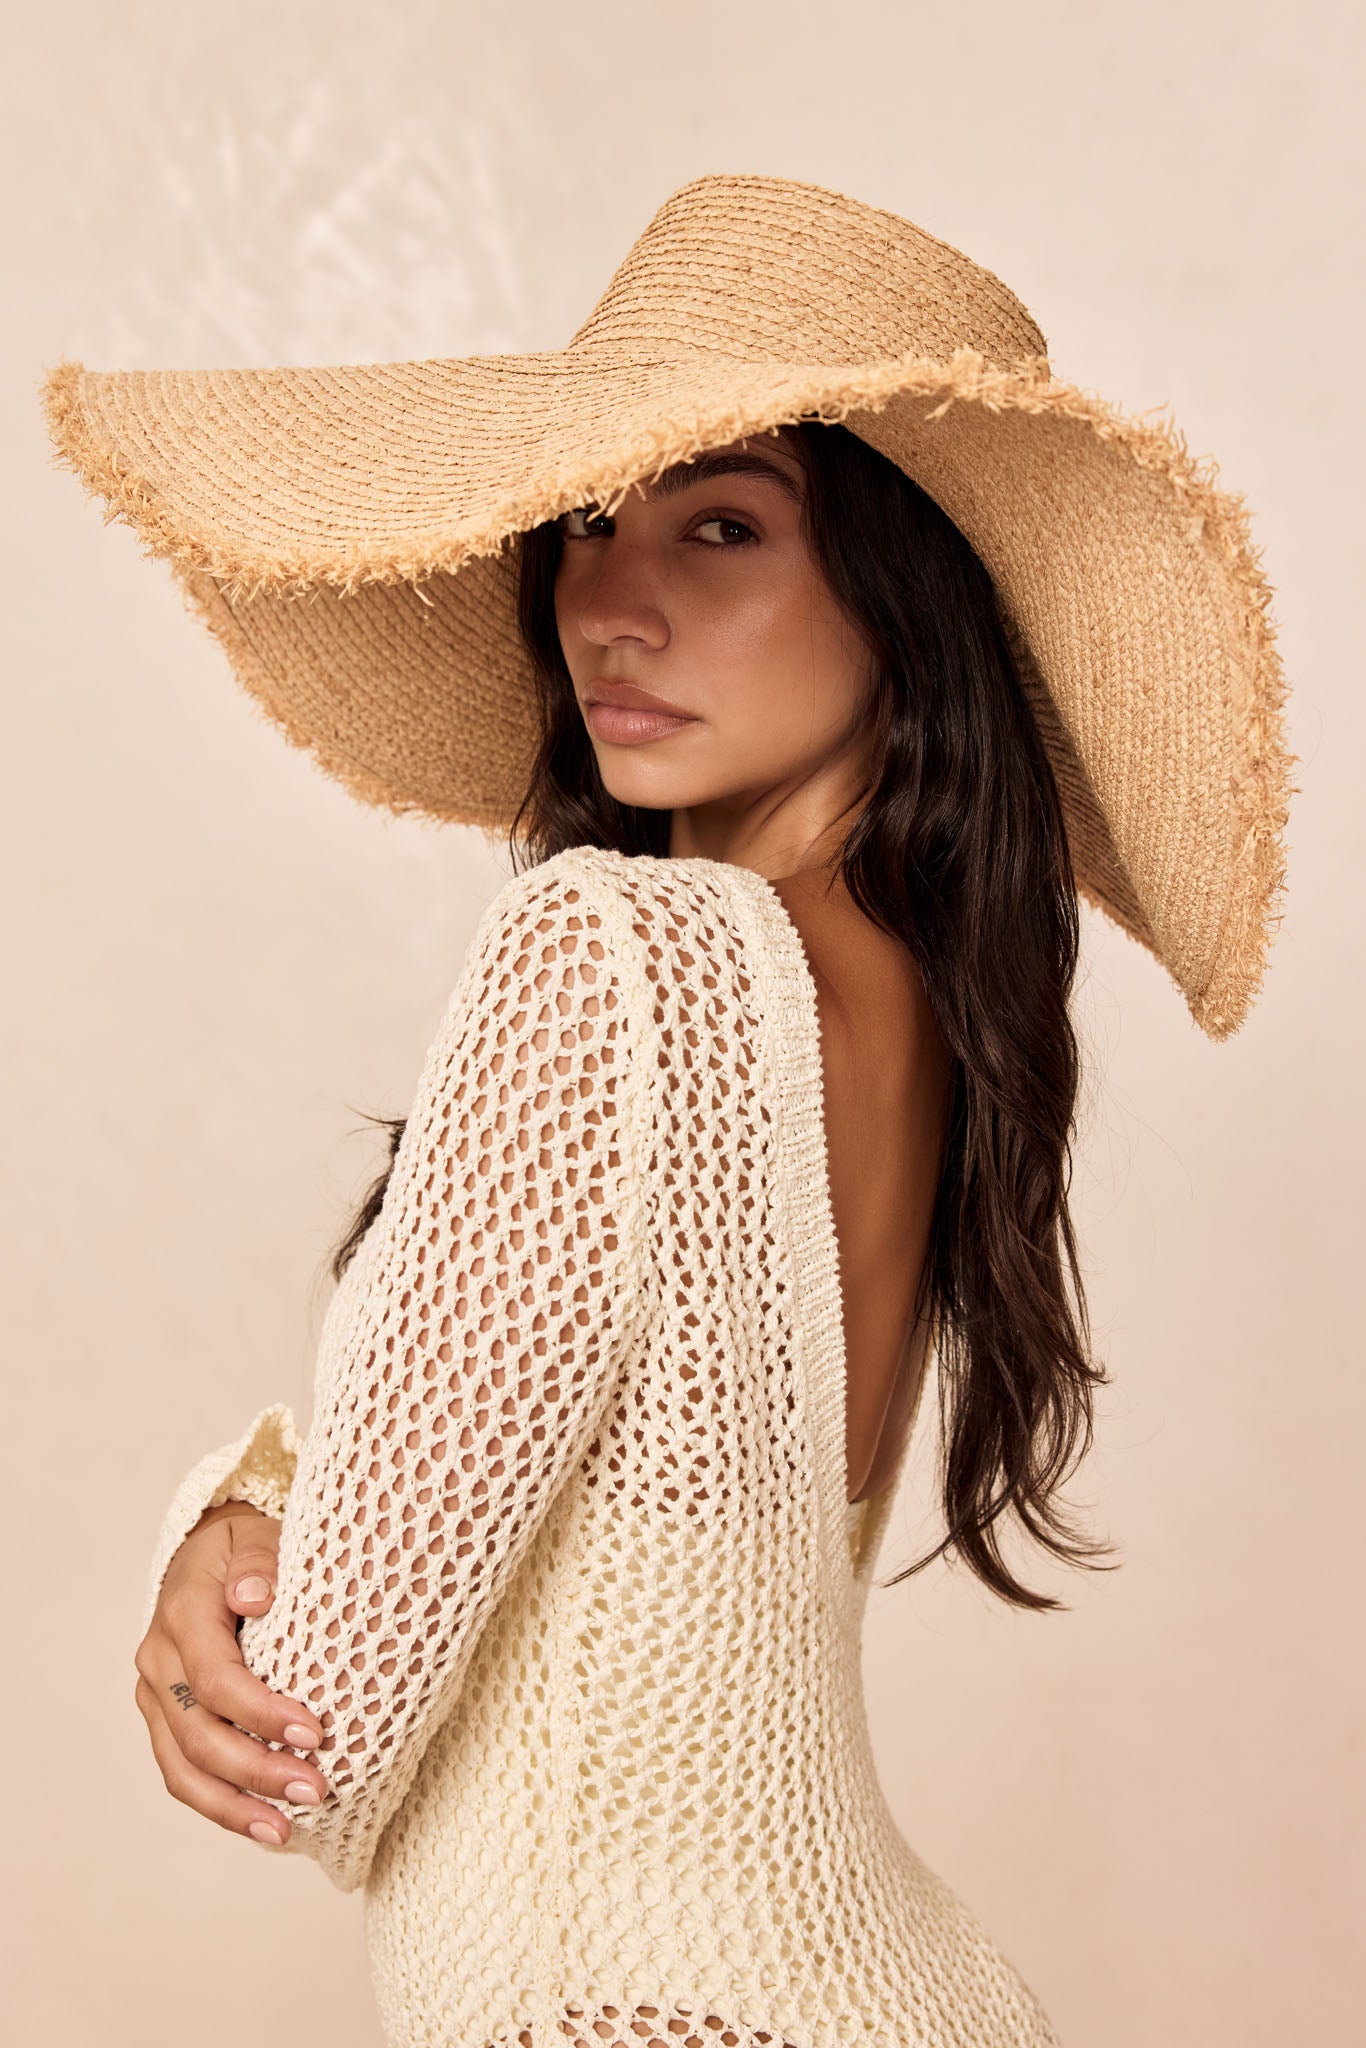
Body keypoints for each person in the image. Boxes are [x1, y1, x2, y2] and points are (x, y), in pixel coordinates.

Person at [41, 174, 1294, 2048]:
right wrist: (267, 1499)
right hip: (900, 1989)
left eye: (722, 527)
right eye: (583, 527)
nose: (610, 604)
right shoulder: (922, 1028)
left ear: (905, 585)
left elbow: (313, 1741)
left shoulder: (623, 951)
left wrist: (202, 1538)